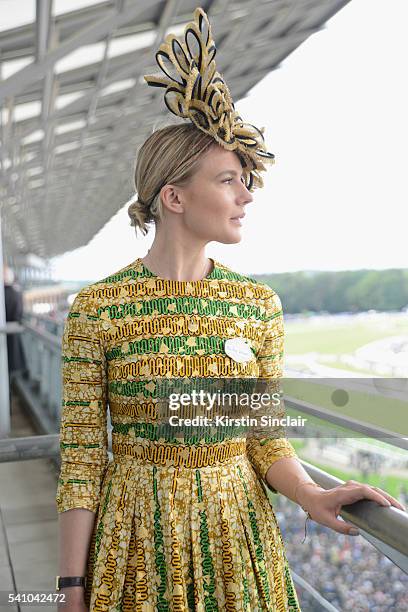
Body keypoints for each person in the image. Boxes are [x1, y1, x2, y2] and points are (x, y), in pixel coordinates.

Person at [55, 8, 406, 611]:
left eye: (245, 180)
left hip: (238, 538)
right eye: (228, 180)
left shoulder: (257, 305)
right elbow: (83, 456)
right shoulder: (97, 309)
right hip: (134, 543)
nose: (246, 196)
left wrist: (310, 495)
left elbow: (264, 437)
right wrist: (71, 586)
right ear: (173, 197)